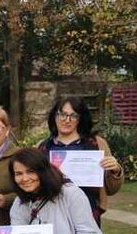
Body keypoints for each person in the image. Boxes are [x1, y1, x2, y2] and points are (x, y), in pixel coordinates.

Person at [37, 96, 123, 226]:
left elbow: (111, 189)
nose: (67, 120)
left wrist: (115, 171)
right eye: (63, 114)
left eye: (73, 115)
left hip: (88, 214)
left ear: (80, 119)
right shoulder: (42, 147)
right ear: (55, 117)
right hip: (51, 214)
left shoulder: (97, 144)